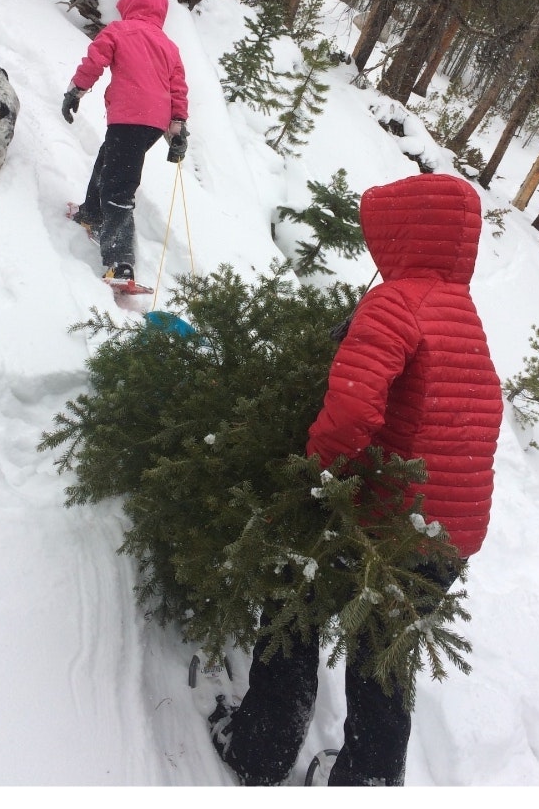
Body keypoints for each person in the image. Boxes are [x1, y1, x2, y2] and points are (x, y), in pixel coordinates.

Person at [207, 173, 504, 786]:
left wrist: (316, 474)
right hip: (450, 530)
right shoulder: (461, 310)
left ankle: (262, 747)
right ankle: (369, 780)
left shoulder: (397, 301)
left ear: (402, 235)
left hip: (390, 520)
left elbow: (351, 405)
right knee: (383, 658)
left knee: (295, 597)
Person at [61, 0, 188, 292]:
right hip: (153, 125)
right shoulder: (168, 45)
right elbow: (178, 88)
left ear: (130, 6)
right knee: (109, 160)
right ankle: (91, 213)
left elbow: (95, 61)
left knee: (119, 188)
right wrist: (177, 129)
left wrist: (76, 90)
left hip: (129, 116)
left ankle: (121, 264)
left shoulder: (119, 30)